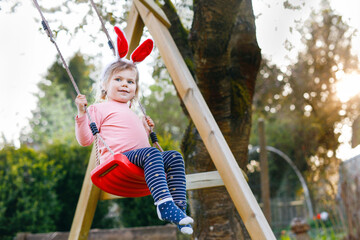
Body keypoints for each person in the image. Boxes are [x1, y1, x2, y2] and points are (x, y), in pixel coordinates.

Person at [74, 26, 193, 235]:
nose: (124, 85)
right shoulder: (98, 109)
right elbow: (85, 140)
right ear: (104, 84)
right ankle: (164, 205)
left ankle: (178, 208)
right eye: (118, 80)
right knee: (153, 153)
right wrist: (82, 114)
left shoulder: (134, 113)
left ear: (135, 89)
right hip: (118, 161)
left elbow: (136, 142)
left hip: (141, 159)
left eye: (130, 82)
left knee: (174, 157)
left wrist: (145, 130)